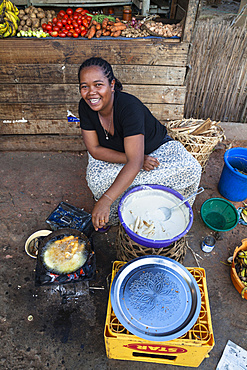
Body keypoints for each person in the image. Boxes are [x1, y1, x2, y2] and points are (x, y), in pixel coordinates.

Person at [78, 57, 202, 231]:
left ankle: (167, 212)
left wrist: (106, 198)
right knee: (96, 181)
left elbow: (134, 163)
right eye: (84, 86)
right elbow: (95, 150)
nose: (91, 92)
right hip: (120, 153)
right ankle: (113, 215)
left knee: (191, 169)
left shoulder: (129, 108)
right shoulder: (85, 107)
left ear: (112, 85)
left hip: (157, 150)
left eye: (98, 85)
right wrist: (135, 160)